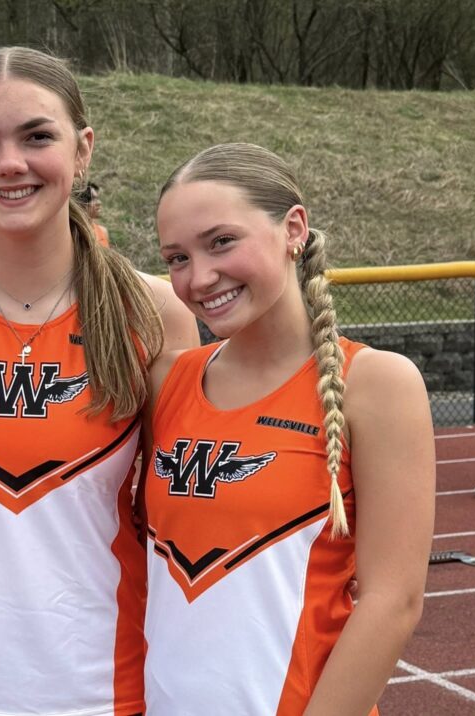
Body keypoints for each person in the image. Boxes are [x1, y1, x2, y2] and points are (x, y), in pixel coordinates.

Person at [0, 46, 198, 716]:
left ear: (83, 150)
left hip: (107, 689)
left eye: (36, 137)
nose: (10, 163)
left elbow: (180, 509)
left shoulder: (154, 309)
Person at [142, 142, 435, 714]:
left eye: (221, 241)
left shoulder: (376, 383)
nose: (199, 277)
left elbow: (393, 602)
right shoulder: (167, 380)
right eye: (176, 258)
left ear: (293, 228)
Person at [77, 180, 110, 247]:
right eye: (93, 199)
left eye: (97, 198)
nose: (99, 203)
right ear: (82, 203)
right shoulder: (74, 232)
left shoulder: (102, 231)